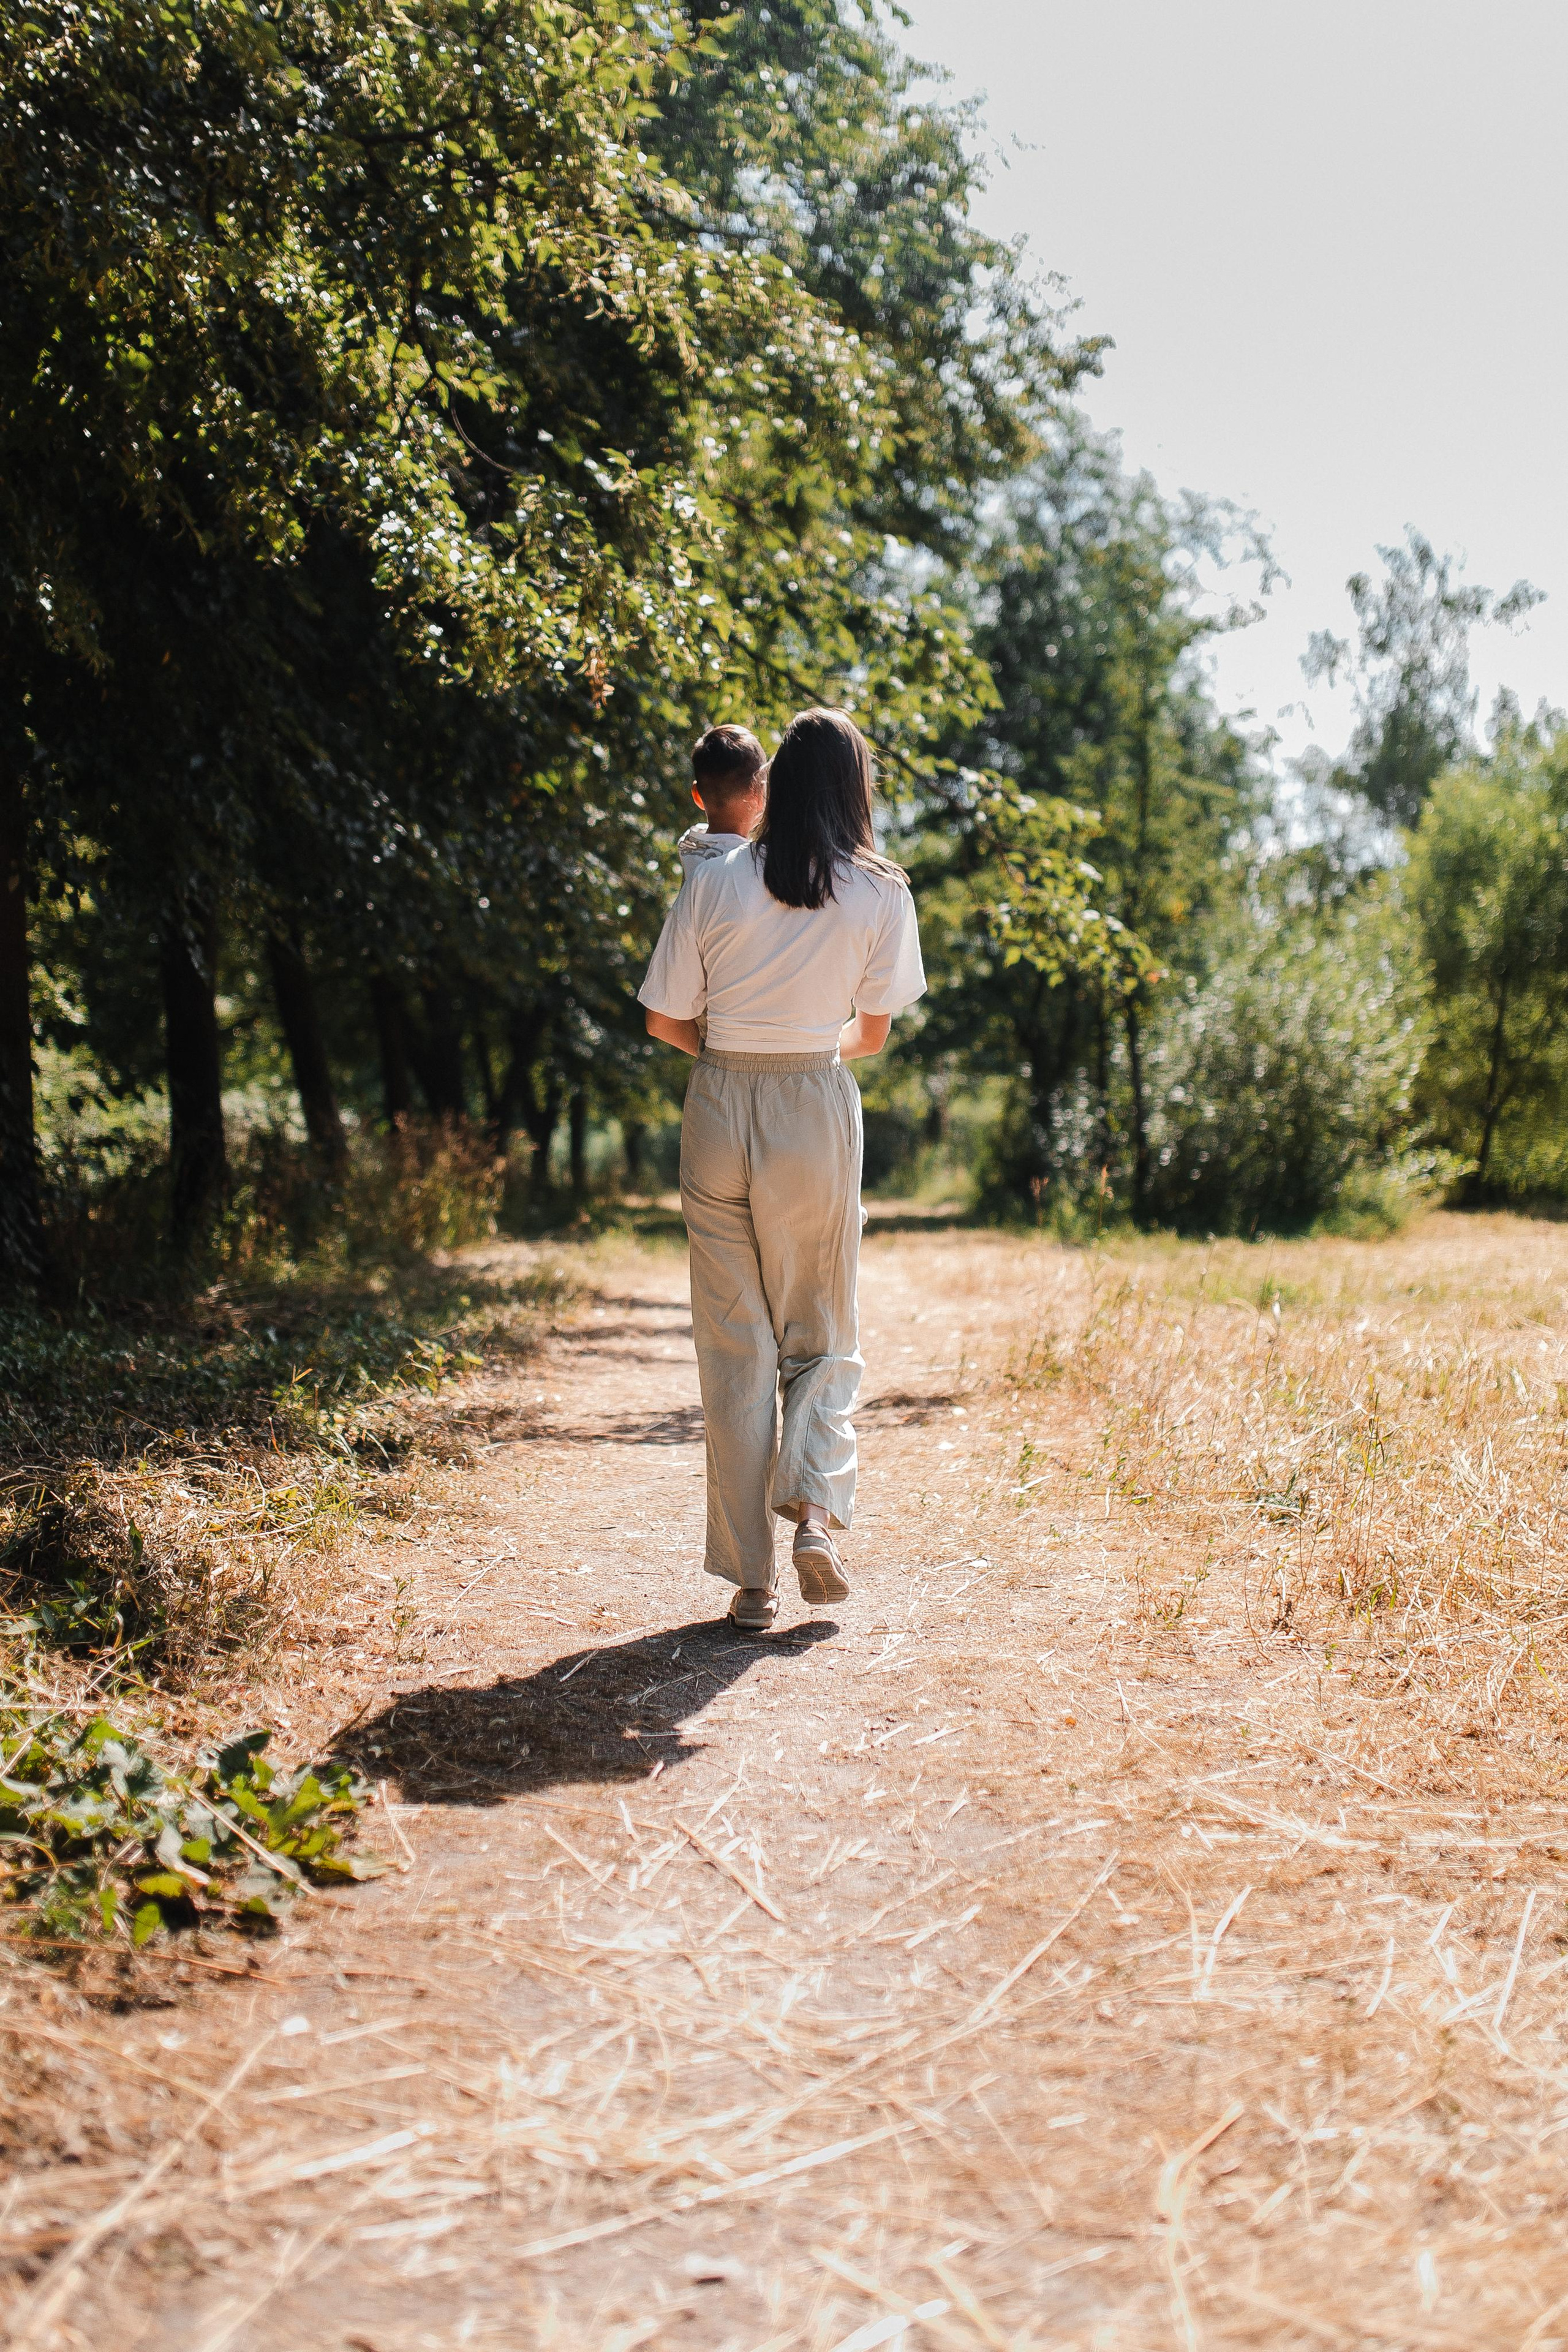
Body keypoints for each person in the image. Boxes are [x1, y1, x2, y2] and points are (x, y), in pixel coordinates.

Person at [638, 707, 925, 1631]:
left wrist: (733, 1055)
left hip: (720, 1102)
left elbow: (663, 1019)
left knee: (734, 1345)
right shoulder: (880, 892)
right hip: (813, 1099)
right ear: (854, 788)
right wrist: (800, 1050)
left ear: (778, 785)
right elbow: (872, 1034)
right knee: (822, 1332)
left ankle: (751, 1583)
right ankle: (813, 1520)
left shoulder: (716, 879)